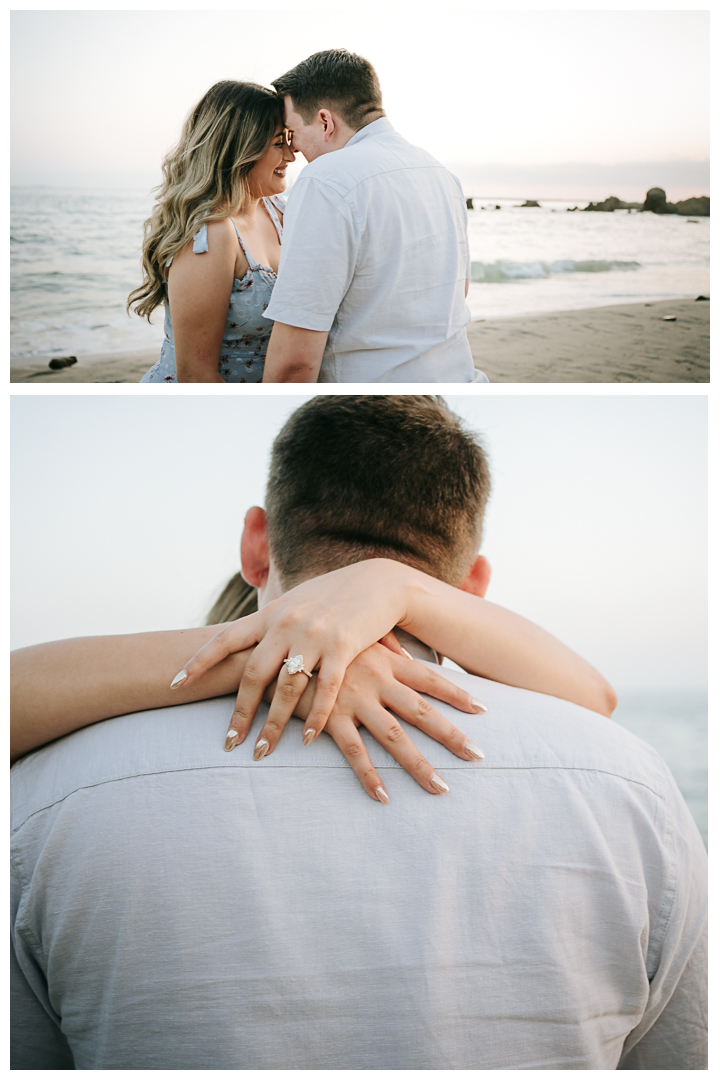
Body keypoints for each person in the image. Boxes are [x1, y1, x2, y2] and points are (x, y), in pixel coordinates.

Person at [11, 398, 706, 1068]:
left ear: (257, 544)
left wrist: (272, 648)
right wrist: (334, 630)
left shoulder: (44, 796)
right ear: (473, 587)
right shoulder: (629, 784)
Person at [261, 50, 488, 383]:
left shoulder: (326, 179)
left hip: (369, 400)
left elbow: (296, 360)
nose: (294, 152)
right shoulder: (441, 174)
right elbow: (458, 290)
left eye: (293, 132)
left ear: (325, 122)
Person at [130, 81, 294, 382]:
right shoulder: (211, 233)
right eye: (278, 143)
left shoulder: (280, 211)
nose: (291, 156)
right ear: (240, 148)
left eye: (289, 140)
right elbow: (196, 375)